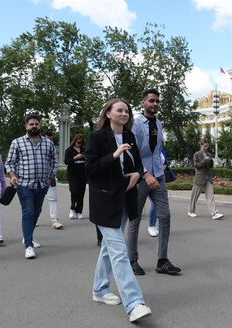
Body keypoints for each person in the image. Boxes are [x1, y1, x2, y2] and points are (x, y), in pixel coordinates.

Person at [85, 98, 152, 323]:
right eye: (119, 110)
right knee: (118, 250)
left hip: (125, 197)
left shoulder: (130, 136)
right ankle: (134, 303)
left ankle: (100, 289)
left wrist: (137, 174)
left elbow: (137, 164)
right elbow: (91, 169)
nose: (124, 114)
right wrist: (114, 155)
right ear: (108, 113)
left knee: (108, 249)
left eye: (127, 111)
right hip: (104, 199)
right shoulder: (97, 137)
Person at [127, 88, 181, 276]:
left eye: (157, 101)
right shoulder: (135, 124)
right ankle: (132, 260)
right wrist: (145, 174)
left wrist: (161, 169)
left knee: (165, 217)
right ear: (143, 103)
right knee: (134, 220)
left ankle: (162, 260)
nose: (155, 104)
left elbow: (157, 151)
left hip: (158, 176)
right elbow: (132, 152)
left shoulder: (159, 123)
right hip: (141, 178)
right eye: (151, 100)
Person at [5, 113, 58, 259]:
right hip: (24, 184)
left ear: (40, 125)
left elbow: (54, 161)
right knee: (28, 212)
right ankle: (28, 245)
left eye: (36, 124)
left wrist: (51, 176)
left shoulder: (48, 143)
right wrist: (13, 176)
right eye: (31, 124)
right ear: (26, 126)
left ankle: (28, 234)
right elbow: (9, 162)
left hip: (42, 184)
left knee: (37, 210)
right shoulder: (17, 142)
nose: (34, 126)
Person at [188, 138, 224, 220]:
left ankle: (214, 213)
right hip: (199, 177)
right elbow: (196, 165)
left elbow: (211, 166)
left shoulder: (209, 154)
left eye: (207, 146)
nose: (206, 147)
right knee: (195, 196)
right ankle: (191, 211)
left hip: (208, 177)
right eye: (205, 146)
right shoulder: (196, 154)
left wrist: (211, 161)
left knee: (210, 196)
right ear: (201, 145)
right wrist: (204, 161)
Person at [43, 131, 64, 229]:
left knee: (52, 199)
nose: (49, 139)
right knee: (35, 200)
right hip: (36, 178)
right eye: (48, 137)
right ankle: (33, 219)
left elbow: (55, 162)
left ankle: (54, 220)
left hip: (50, 177)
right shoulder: (37, 145)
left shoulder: (51, 147)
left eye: (51, 137)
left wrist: (52, 176)